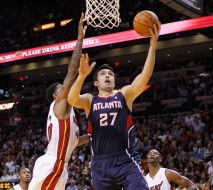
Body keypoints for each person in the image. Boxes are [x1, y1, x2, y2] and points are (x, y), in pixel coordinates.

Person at [67, 21, 161, 190]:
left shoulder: (124, 95)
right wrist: (81, 76)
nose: (108, 76)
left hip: (124, 159)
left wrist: (152, 47)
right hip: (100, 164)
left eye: (110, 74)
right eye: (103, 74)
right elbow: (72, 99)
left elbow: (144, 77)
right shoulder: (90, 100)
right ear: (96, 82)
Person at [28, 13, 89, 190]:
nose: (65, 87)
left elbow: (76, 141)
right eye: (61, 88)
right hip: (53, 164)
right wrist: (79, 39)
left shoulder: (69, 118)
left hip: (59, 166)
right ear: (56, 96)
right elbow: (71, 73)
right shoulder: (59, 106)